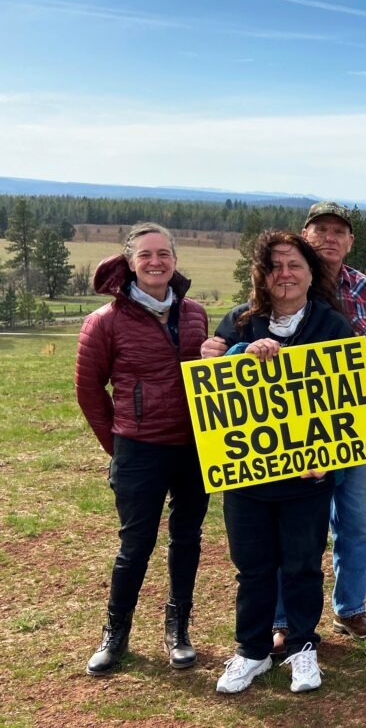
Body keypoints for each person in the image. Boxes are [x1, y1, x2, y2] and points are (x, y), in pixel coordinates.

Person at [203, 202, 366, 647]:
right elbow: (221, 373)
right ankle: (280, 620)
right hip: (275, 443)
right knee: (283, 534)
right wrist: (221, 354)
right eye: (320, 230)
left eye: (339, 232)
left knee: (358, 525)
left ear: (350, 241)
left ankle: (350, 609)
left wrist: (342, 359)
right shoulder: (260, 300)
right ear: (304, 238)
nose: (330, 238)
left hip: (345, 427)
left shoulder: (365, 292)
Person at [209, 230, 355, 695]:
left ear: (312, 273)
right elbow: (208, 384)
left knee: (302, 564)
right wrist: (238, 354)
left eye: (294, 265)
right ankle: (251, 651)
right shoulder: (239, 321)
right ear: (261, 275)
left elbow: (348, 400)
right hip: (246, 475)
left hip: (307, 476)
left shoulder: (332, 325)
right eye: (275, 266)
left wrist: (329, 457)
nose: (285, 274)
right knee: (252, 566)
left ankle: (302, 648)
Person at [75, 223, 210, 676]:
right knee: (136, 544)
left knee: (187, 539)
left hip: (193, 447)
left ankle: (179, 629)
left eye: (164, 253)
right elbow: (89, 390)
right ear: (130, 261)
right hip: (138, 448)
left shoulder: (195, 313)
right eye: (147, 254)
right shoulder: (104, 321)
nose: (156, 262)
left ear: (175, 259)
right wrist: (118, 445)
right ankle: (115, 633)